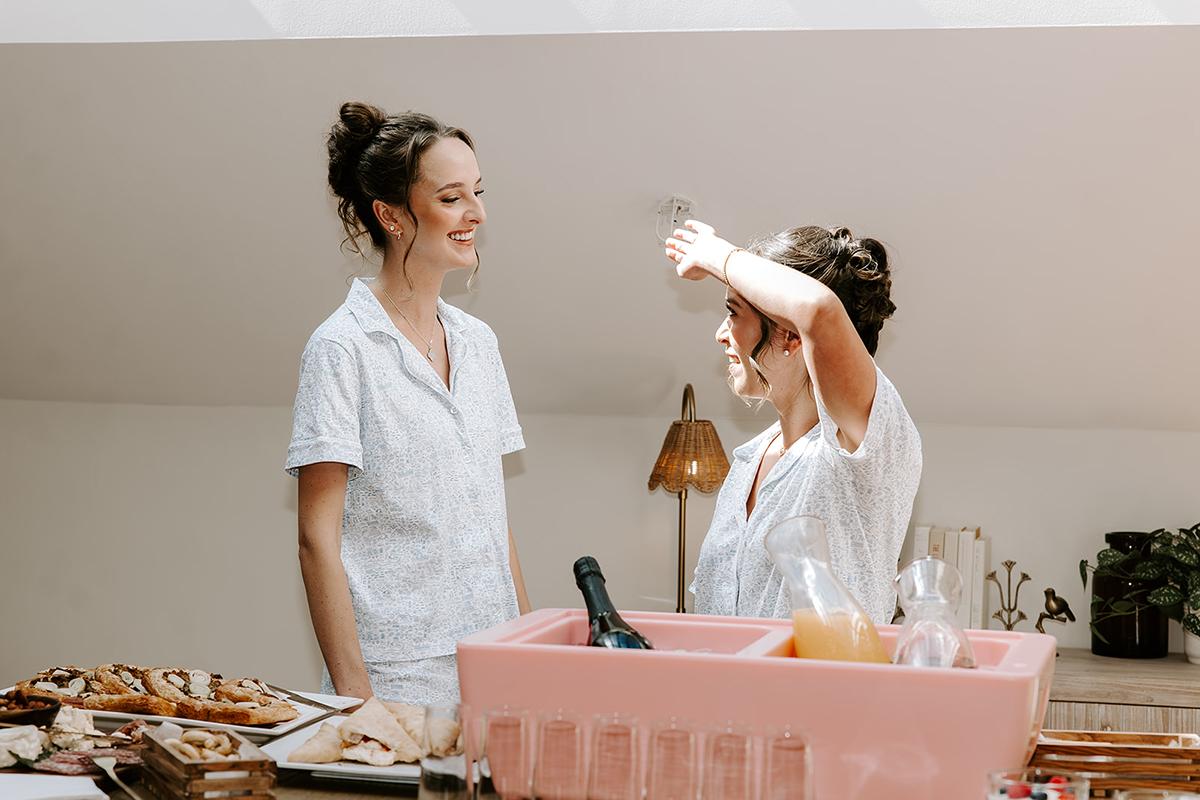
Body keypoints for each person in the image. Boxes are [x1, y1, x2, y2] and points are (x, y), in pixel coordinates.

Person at [286, 102, 530, 705]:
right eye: (451, 198)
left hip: (496, 663)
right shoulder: (342, 349)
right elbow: (317, 538)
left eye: (477, 191)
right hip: (398, 678)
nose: (476, 212)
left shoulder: (479, 344)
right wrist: (356, 699)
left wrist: (529, 653)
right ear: (392, 215)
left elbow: (494, 521)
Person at [664, 220, 921, 624]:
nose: (720, 334)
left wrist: (715, 254)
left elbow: (819, 310)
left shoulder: (866, 439)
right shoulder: (748, 462)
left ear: (790, 335)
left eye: (733, 312)